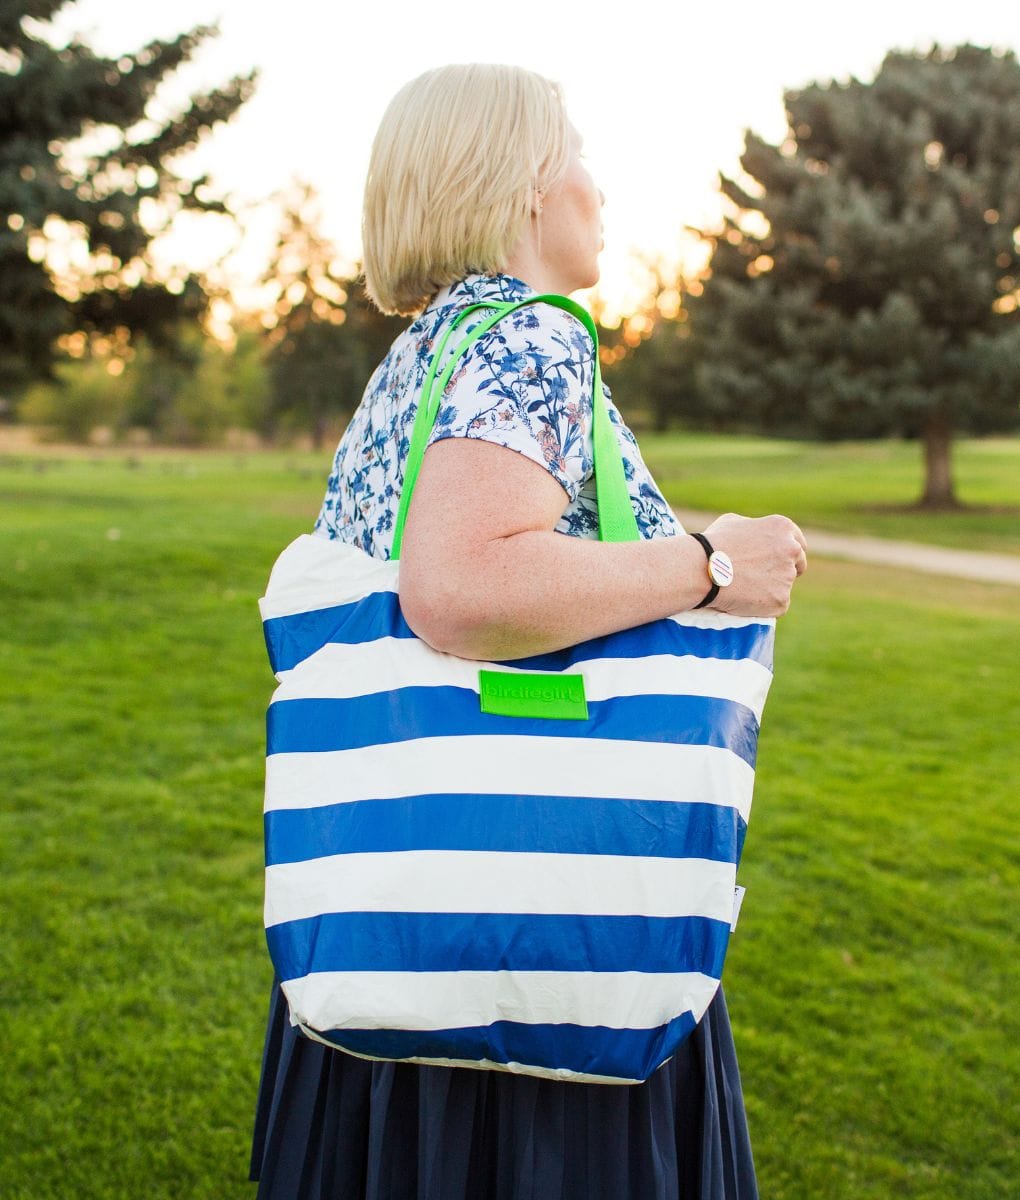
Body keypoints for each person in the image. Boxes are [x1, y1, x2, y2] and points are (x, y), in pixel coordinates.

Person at [250, 62, 807, 1200]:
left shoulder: (421, 354)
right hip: (546, 954)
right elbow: (458, 590)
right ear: (519, 186)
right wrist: (712, 565)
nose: (599, 189)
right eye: (578, 154)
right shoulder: (530, 341)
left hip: (402, 922)